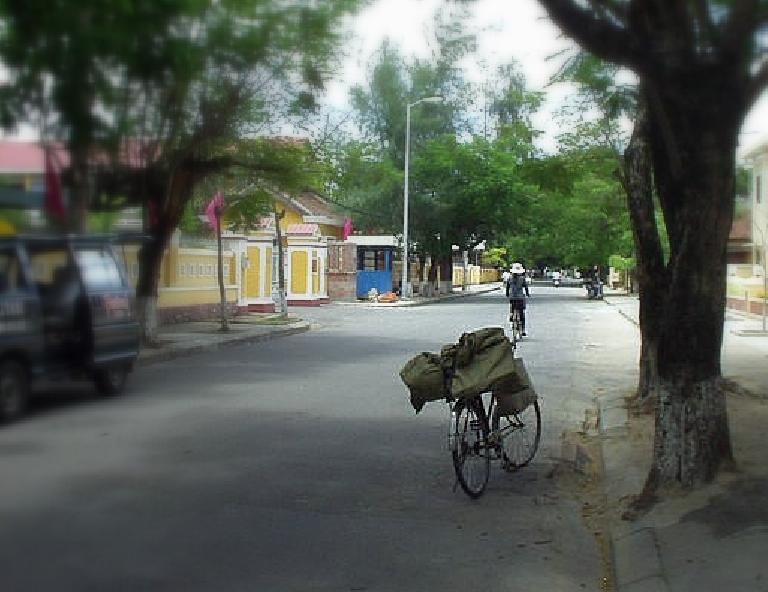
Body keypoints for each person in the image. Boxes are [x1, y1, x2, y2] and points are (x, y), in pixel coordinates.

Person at [505, 262, 530, 336]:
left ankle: (511, 315)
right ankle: (522, 330)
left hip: (512, 297)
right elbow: (526, 287)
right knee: (521, 313)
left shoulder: (509, 278)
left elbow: (507, 288)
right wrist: (527, 294)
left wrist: (507, 294)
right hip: (520, 298)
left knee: (512, 307)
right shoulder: (522, 279)